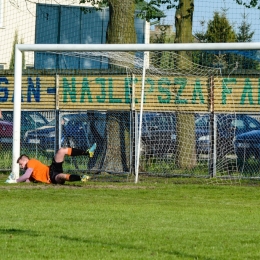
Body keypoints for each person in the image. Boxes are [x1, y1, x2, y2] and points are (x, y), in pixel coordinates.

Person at [5, 143, 96, 184]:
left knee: (62, 150)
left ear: (25, 160)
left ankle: (87, 152)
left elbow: (26, 176)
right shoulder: (31, 171)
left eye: (21, 164)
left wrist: (15, 181)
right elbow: (28, 179)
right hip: (52, 176)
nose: (21, 167)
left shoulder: (31, 162)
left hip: (51, 170)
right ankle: (81, 178)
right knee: (61, 176)